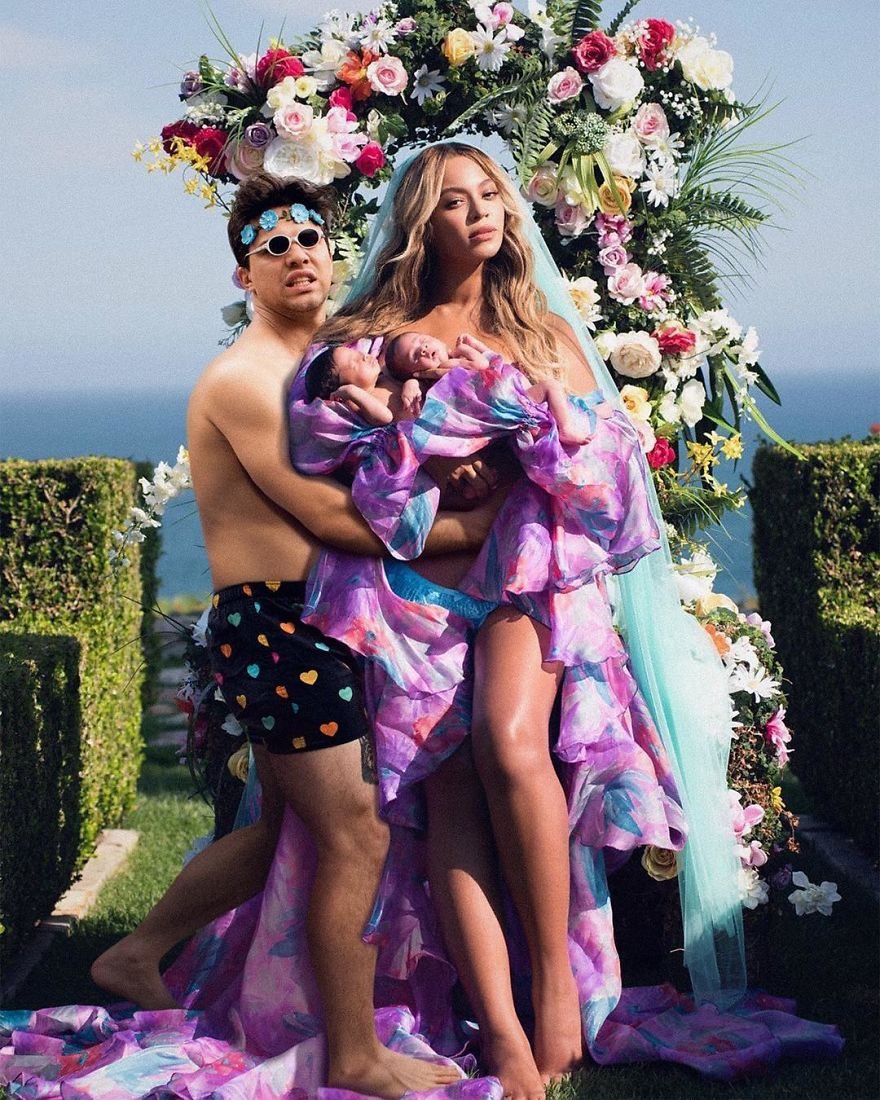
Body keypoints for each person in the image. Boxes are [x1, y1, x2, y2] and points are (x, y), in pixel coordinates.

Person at [88, 170, 502, 1098]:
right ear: (247, 276)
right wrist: (469, 530)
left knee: (285, 828)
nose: (297, 255)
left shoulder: (328, 364)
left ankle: (136, 952)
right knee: (356, 836)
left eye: (309, 238)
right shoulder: (243, 380)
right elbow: (329, 518)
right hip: (276, 625)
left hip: (315, 617)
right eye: (272, 247)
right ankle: (354, 1053)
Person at [304, 331, 594, 443]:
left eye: (357, 353)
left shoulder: (389, 377)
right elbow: (386, 417)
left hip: (498, 398)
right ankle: (564, 427)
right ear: (342, 389)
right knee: (545, 396)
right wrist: (352, 393)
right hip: (484, 414)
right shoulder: (364, 400)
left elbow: (476, 367)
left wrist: (413, 382)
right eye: (354, 363)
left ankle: (570, 422)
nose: (363, 356)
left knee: (550, 390)